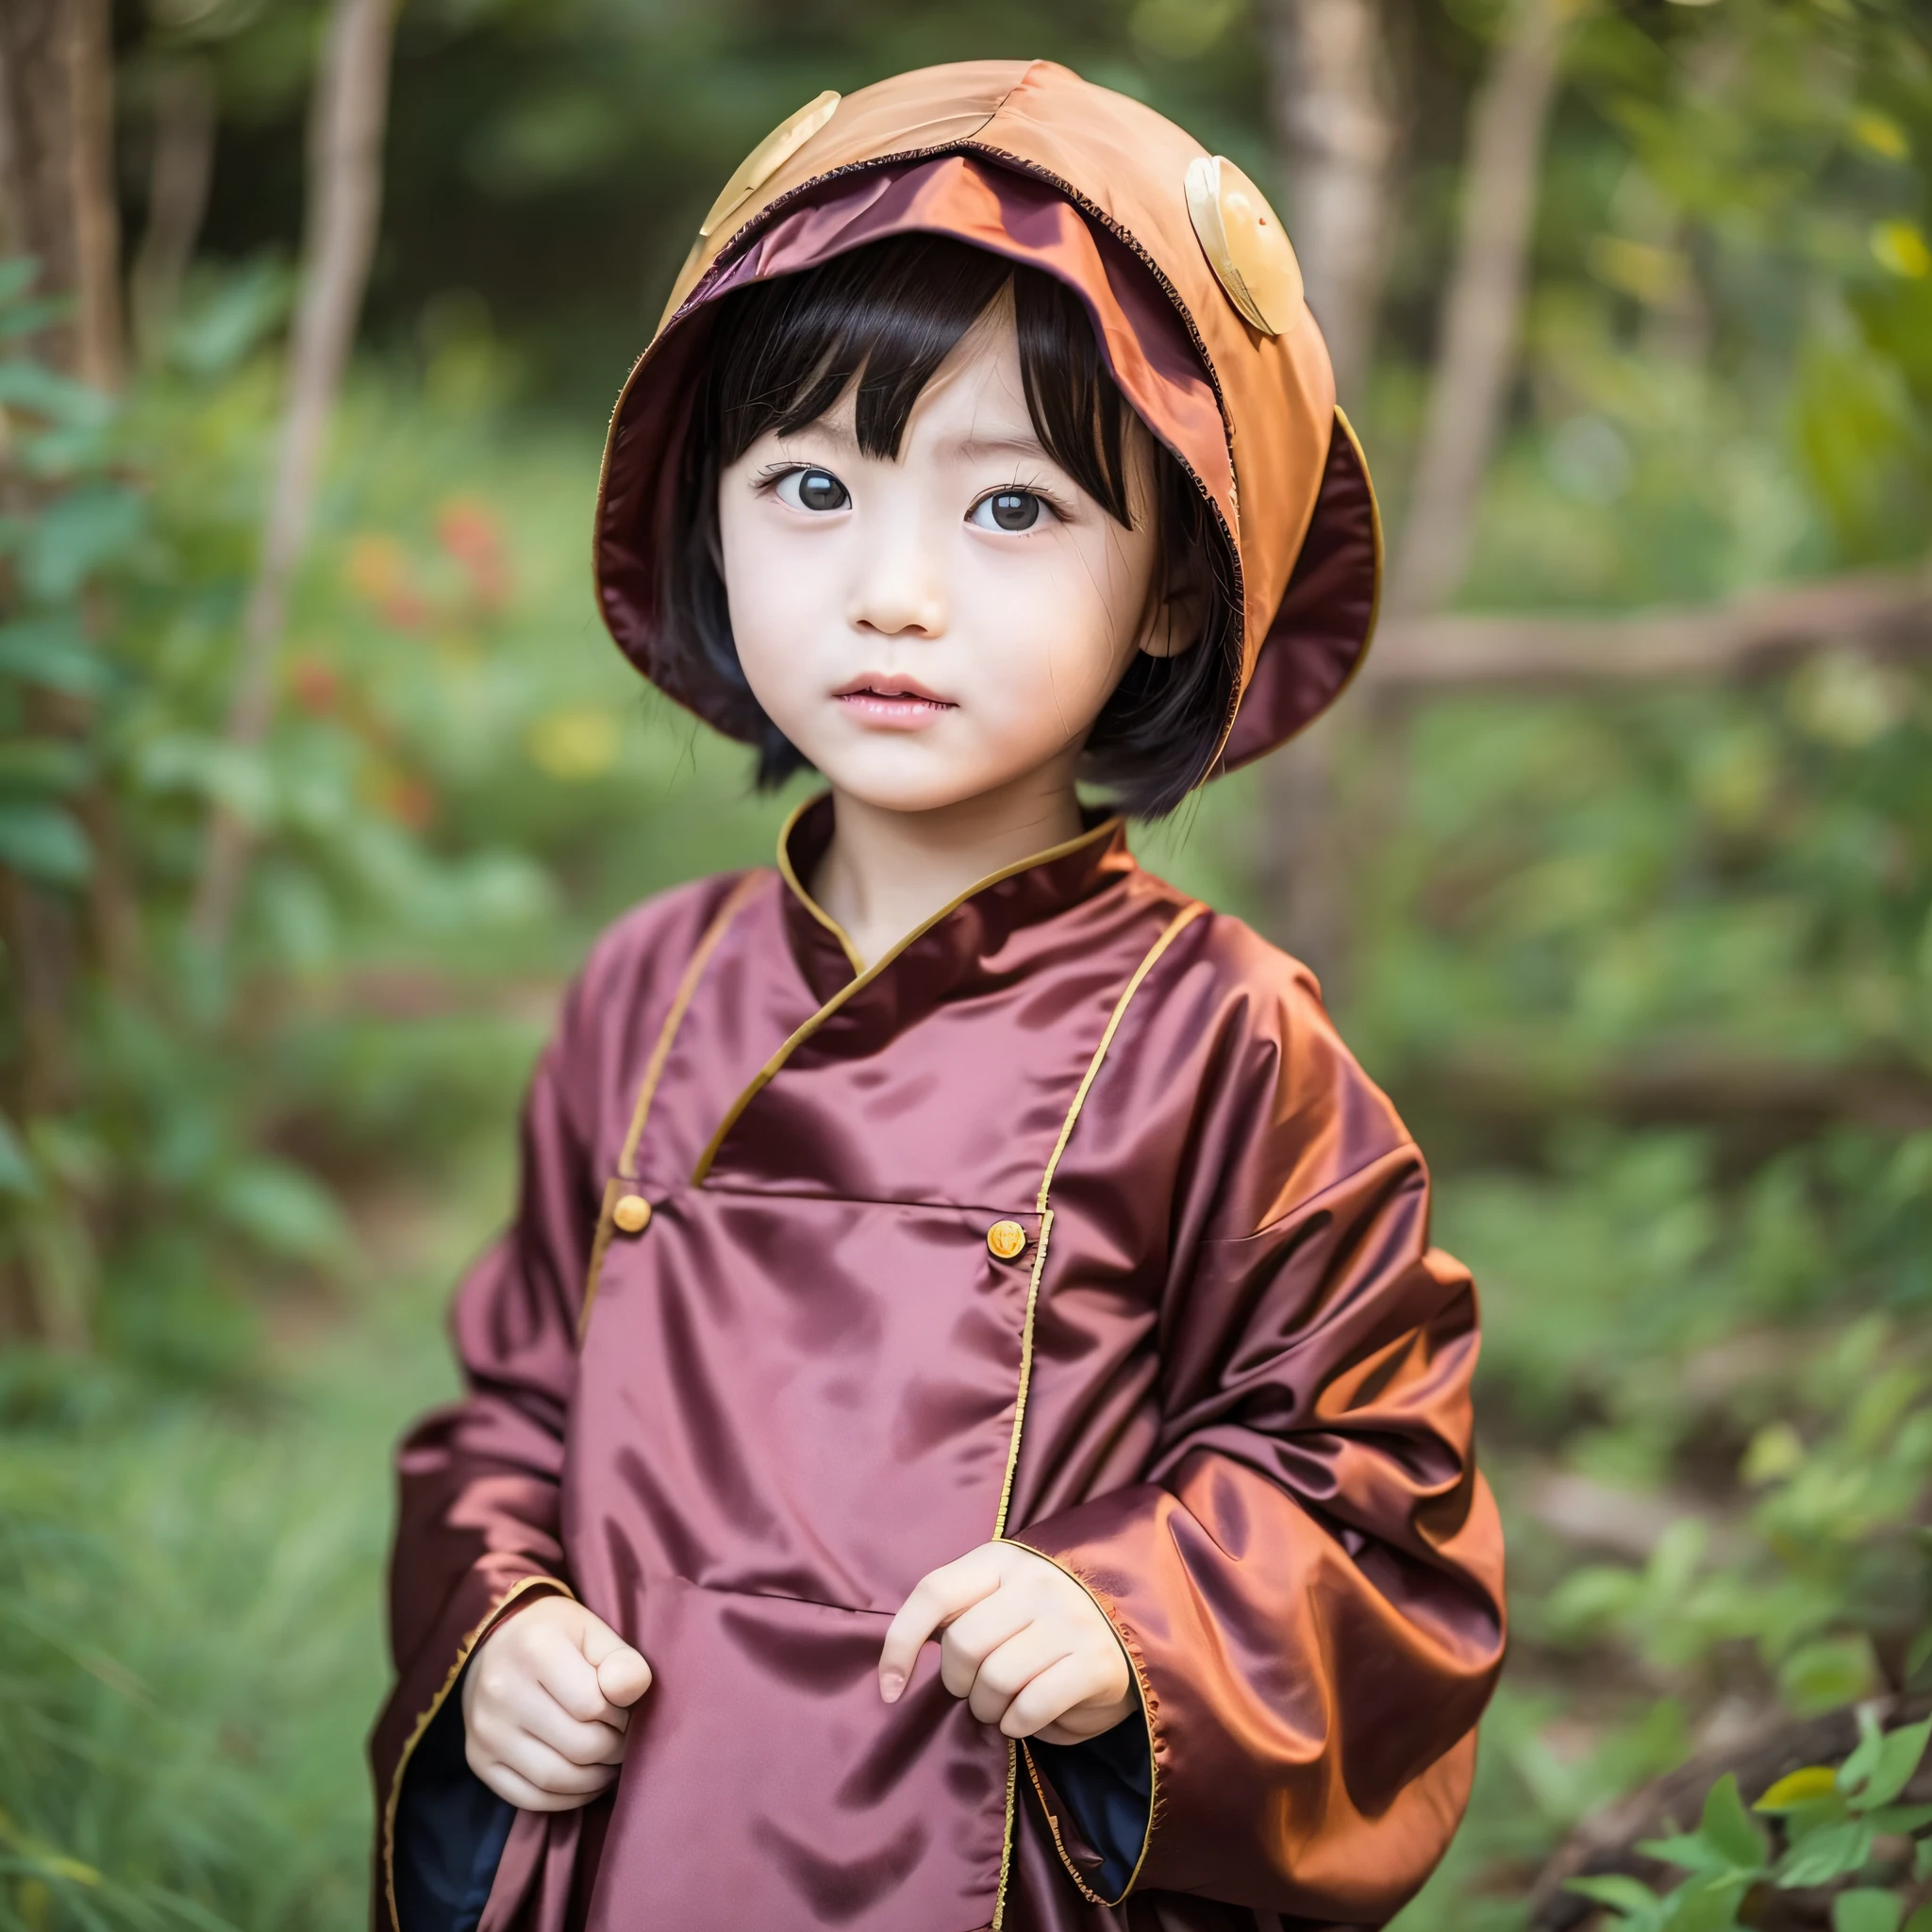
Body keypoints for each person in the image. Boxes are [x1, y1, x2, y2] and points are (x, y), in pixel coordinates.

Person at [370, 58, 1506, 1932]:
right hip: (635, 1853)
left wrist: (1136, 1617)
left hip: (982, 1875)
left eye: (1011, 511)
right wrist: (492, 1619)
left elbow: (1374, 1490)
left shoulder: (1224, 1040)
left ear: (1168, 584)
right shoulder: (641, 991)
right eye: (813, 485)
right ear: (712, 523)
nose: (892, 590)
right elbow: (506, 1407)